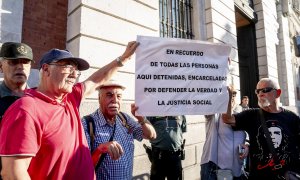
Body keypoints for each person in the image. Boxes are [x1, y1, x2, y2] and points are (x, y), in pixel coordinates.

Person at [0, 41, 139, 180]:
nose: (74, 74)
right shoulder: (26, 109)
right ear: (46, 68)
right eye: (67, 66)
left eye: (76, 69)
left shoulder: (70, 97)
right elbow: (13, 174)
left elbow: (97, 79)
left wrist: (123, 58)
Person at [222, 78, 300, 179]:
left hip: (287, 175)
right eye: (258, 91)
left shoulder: (292, 118)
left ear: (278, 93)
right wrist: (228, 97)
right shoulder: (252, 115)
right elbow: (227, 119)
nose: (260, 94)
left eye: (265, 90)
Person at [82, 80, 156, 180]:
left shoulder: (124, 119)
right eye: (109, 95)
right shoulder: (87, 124)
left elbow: (151, 136)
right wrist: (100, 150)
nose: (115, 100)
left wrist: (141, 119)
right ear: (99, 98)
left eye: (119, 96)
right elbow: (82, 166)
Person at [201, 87, 249, 180]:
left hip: (237, 171)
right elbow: (207, 108)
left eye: (233, 95)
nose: (231, 98)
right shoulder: (214, 114)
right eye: (228, 95)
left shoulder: (241, 116)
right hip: (214, 170)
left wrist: (247, 146)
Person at [146, 116, 187, 180]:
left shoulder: (181, 111)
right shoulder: (152, 111)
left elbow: (182, 130)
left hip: (175, 156)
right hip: (158, 158)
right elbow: (146, 131)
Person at [0, 42, 33, 119]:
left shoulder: (39, 100)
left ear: (30, 67)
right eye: (14, 62)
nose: (20, 67)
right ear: (1, 66)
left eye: (25, 62)